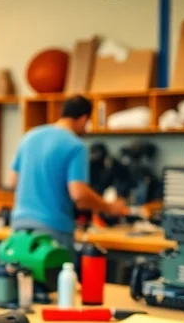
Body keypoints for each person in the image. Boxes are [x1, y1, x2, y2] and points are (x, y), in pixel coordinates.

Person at [9, 95, 129, 250]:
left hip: (20, 227)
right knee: (61, 274)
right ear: (84, 119)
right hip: (52, 230)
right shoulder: (75, 145)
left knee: (23, 273)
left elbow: (12, 182)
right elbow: (79, 195)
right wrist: (110, 207)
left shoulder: (29, 137)